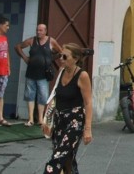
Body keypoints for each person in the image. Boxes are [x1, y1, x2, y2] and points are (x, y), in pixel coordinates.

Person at [43, 44, 93, 174]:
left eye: (65, 57)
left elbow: (88, 103)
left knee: (57, 157)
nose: (61, 59)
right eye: (60, 56)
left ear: (75, 59)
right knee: (67, 159)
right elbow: (55, 95)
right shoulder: (61, 71)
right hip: (60, 121)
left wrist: (88, 129)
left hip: (74, 122)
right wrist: (47, 120)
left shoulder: (82, 75)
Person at [15, 23, 62, 127]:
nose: (38, 32)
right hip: (31, 73)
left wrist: (51, 59)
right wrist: (24, 57)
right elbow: (18, 46)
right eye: (37, 30)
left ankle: (40, 119)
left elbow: (61, 52)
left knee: (43, 96)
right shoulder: (32, 40)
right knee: (29, 95)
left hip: (43, 75)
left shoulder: (51, 41)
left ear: (45, 31)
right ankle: (31, 118)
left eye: (41, 30)